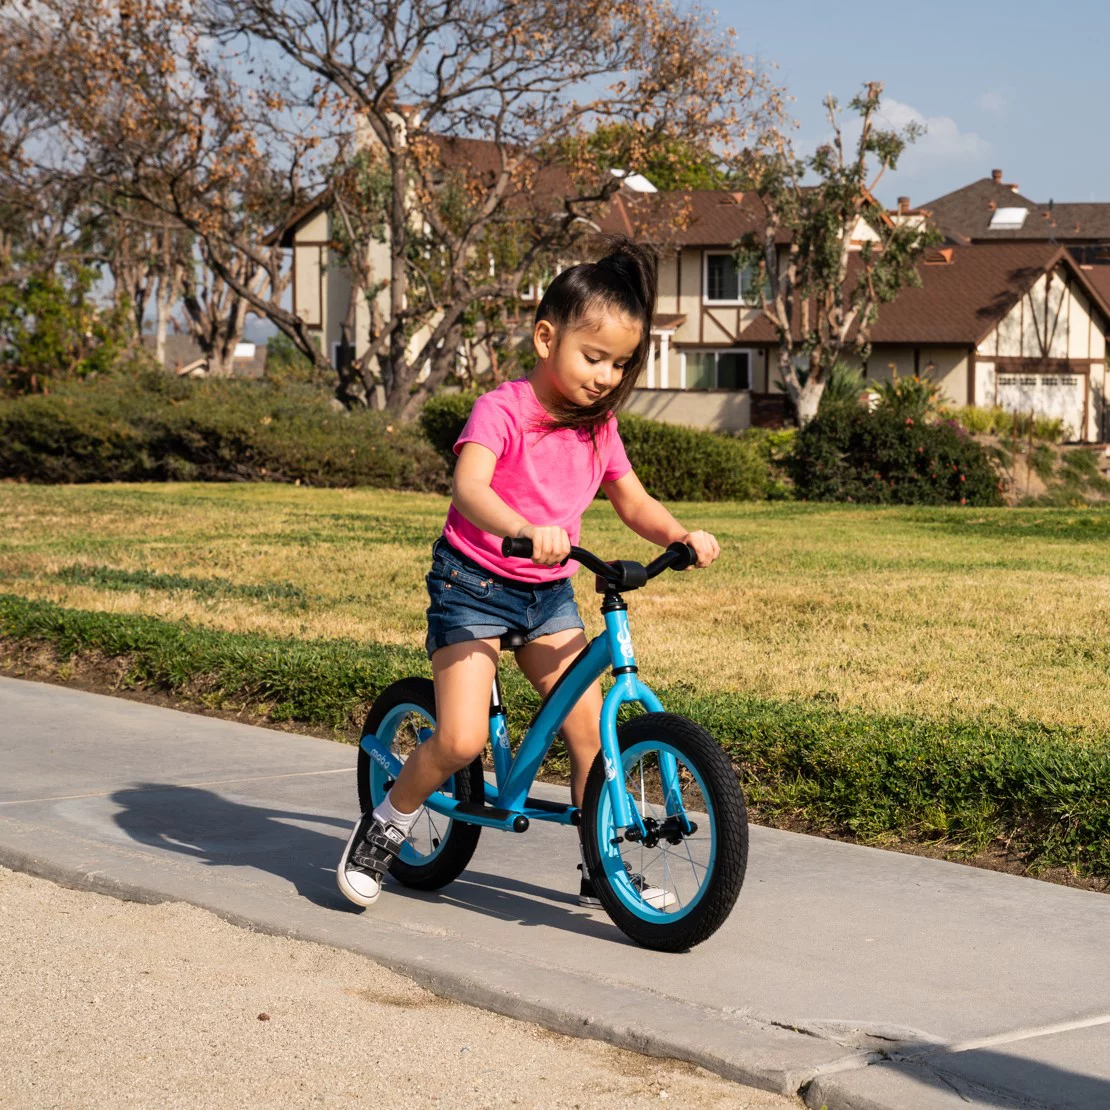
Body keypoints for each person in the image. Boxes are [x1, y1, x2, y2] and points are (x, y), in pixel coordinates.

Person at [337, 235, 720, 909]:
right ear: (547, 338)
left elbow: (631, 500)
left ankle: (605, 869)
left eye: (619, 364)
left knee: (591, 737)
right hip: (473, 587)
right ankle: (386, 823)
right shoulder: (503, 409)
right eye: (593, 356)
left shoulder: (599, 428)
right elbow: (470, 488)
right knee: (457, 739)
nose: (605, 376)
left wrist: (679, 534)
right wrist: (520, 528)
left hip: (546, 596)